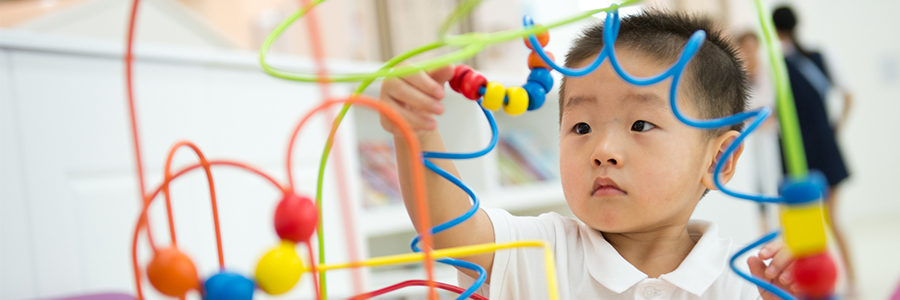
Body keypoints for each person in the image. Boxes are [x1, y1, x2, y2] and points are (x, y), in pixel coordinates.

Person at [378, 10, 798, 299]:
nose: (603, 151)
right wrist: (415, 130)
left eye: (640, 125)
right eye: (581, 127)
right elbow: (450, 230)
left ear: (719, 160)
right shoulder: (539, 248)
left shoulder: (744, 280)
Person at [773, 5, 856, 295]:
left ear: (773, 28)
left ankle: (804, 285)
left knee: (798, 227)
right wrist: (834, 128)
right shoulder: (819, 56)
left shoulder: (775, 64)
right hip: (825, 144)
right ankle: (852, 282)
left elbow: (768, 111)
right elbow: (848, 95)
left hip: (794, 151)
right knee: (832, 220)